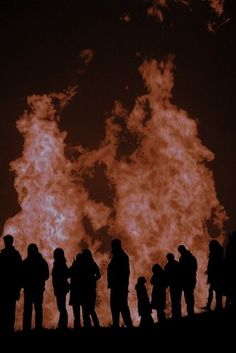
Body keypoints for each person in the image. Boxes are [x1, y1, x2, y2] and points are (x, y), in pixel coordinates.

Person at [22, 243, 49, 331]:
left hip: (30, 289)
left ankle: (26, 328)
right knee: (37, 308)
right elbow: (46, 275)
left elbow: (21, 275)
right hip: (37, 288)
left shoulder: (26, 262)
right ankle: (38, 327)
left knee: (28, 310)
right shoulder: (42, 261)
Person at [107, 238, 133, 328]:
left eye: (113, 245)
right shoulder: (118, 256)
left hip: (119, 287)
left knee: (122, 306)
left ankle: (128, 324)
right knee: (116, 307)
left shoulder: (122, 256)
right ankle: (117, 324)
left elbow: (125, 273)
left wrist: (123, 285)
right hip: (116, 286)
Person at [0, 235, 22, 334]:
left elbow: (19, 273)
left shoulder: (4, 255)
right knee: (8, 310)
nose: (5, 243)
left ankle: (7, 329)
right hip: (9, 287)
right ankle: (8, 329)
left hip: (8, 287)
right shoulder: (15, 255)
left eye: (6, 241)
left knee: (7, 310)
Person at [80, 249, 101, 327]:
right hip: (90, 289)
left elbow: (98, 275)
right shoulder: (92, 264)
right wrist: (93, 279)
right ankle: (94, 325)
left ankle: (89, 325)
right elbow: (98, 275)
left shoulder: (83, 265)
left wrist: (92, 279)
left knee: (87, 309)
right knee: (90, 309)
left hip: (87, 289)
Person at [52, 248, 70, 329]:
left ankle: (63, 325)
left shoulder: (61, 264)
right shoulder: (60, 263)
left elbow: (67, 274)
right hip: (60, 287)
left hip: (61, 288)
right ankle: (62, 325)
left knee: (61, 307)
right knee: (61, 307)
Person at [178, 244, 197, 316]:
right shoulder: (187, 257)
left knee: (189, 296)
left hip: (188, 279)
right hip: (187, 280)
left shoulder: (188, 258)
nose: (180, 252)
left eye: (180, 251)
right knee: (188, 296)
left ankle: (191, 312)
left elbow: (193, 268)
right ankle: (190, 312)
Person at [164, 253, 182, 319]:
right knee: (177, 301)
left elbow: (165, 277)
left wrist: (166, 284)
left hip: (173, 286)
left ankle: (175, 315)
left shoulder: (167, 266)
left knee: (174, 301)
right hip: (178, 285)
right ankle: (178, 315)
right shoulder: (177, 264)